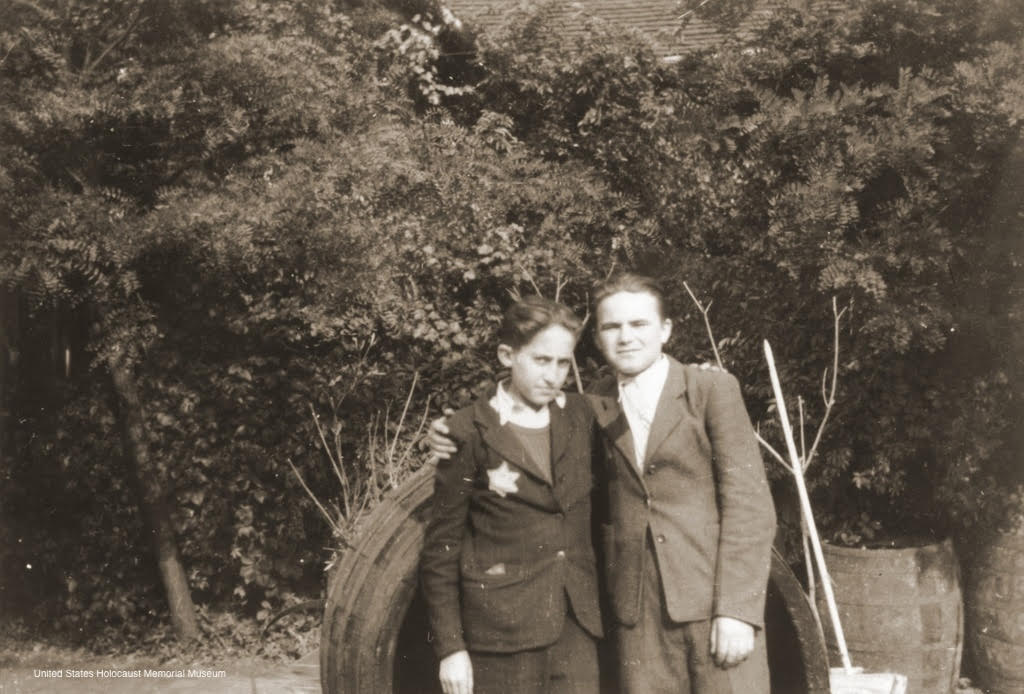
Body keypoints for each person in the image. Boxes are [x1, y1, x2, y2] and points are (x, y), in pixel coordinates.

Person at [428, 274, 776, 694]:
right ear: (596, 337)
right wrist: (449, 429)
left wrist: (737, 609)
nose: (626, 337)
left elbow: (750, 506)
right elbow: (518, 405)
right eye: (612, 327)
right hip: (635, 616)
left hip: (713, 607)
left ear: (666, 330)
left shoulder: (710, 389)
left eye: (639, 324)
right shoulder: (592, 403)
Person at [419, 296, 604, 694]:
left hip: (575, 628)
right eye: (541, 360)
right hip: (501, 635)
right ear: (507, 354)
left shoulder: (581, 414)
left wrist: (699, 381)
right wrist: (451, 648)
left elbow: (640, 404)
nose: (553, 375)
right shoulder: (468, 431)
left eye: (562, 363)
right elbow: (442, 547)